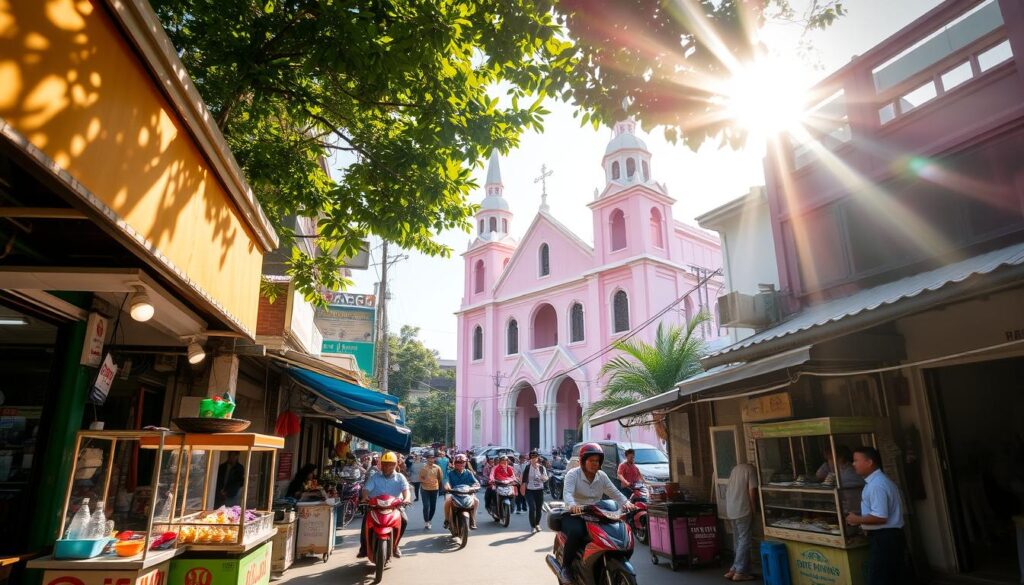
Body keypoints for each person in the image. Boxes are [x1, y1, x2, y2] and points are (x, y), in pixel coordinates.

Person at [559, 443, 634, 583]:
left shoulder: (602, 476)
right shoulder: (572, 475)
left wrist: (626, 503)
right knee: (577, 532)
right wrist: (573, 505)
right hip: (574, 513)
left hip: (595, 513)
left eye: (597, 460)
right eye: (591, 460)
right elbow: (567, 494)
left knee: (613, 531)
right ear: (583, 460)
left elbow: (614, 492)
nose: (595, 463)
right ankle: (566, 567)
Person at [846, 446, 905, 585]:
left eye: (856, 460)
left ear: (869, 462)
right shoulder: (875, 482)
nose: (853, 464)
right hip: (887, 537)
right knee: (892, 577)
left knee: (880, 579)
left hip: (885, 538)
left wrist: (856, 519)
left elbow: (880, 517)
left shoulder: (877, 485)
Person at [358, 451, 411, 558]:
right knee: (365, 522)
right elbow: (366, 489)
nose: (387, 466)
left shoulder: (400, 477)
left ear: (395, 465)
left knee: (404, 520)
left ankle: (395, 546)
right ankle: (364, 548)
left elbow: (406, 490)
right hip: (375, 507)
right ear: (381, 464)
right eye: (385, 464)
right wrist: (365, 497)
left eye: (390, 464)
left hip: (395, 507)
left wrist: (406, 499)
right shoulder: (375, 477)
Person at [723, 462, 758, 582]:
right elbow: (752, 491)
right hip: (743, 509)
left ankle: (734, 568)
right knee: (744, 540)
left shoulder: (735, 469)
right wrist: (754, 510)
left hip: (731, 509)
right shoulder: (751, 470)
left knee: (738, 540)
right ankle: (740, 572)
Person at [444, 454, 480, 530]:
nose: (460, 464)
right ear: (455, 463)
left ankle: (473, 520)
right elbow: (446, 481)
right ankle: (447, 520)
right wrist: (447, 487)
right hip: (453, 493)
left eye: (462, 462)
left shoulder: (469, 472)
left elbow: (476, 482)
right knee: (447, 501)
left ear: (465, 463)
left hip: (467, 493)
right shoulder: (450, 473)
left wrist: (475, 487)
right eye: (458, 462)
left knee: (476, 501)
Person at [521, 449, 548, 533]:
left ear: (537, 458)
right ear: (530, 458)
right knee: (532, 508)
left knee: (539, 508)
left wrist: (542, 477)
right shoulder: (527, 467)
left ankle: (537, 524)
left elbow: (546, 478)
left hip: (539, 490)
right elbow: (523, 479)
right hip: (530, 490)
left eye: (535, 457)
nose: (533, 459)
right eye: (532, 457)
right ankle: (532, 526)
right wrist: (522, 488)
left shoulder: (541, 467)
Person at [418, 451, 443, 530]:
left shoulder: (437, 468)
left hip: (434, 489)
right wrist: (426, 482)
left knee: (433, 507)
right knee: (426, 506)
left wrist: (435, 483)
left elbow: (440, 478)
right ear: (427, 459)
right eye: (429, 458)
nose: (431, 459)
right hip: (425, 489)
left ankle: (429, 520)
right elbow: (420, 478)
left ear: (434, 459)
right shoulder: (423, 468)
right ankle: (426, 522)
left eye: (432, 458)